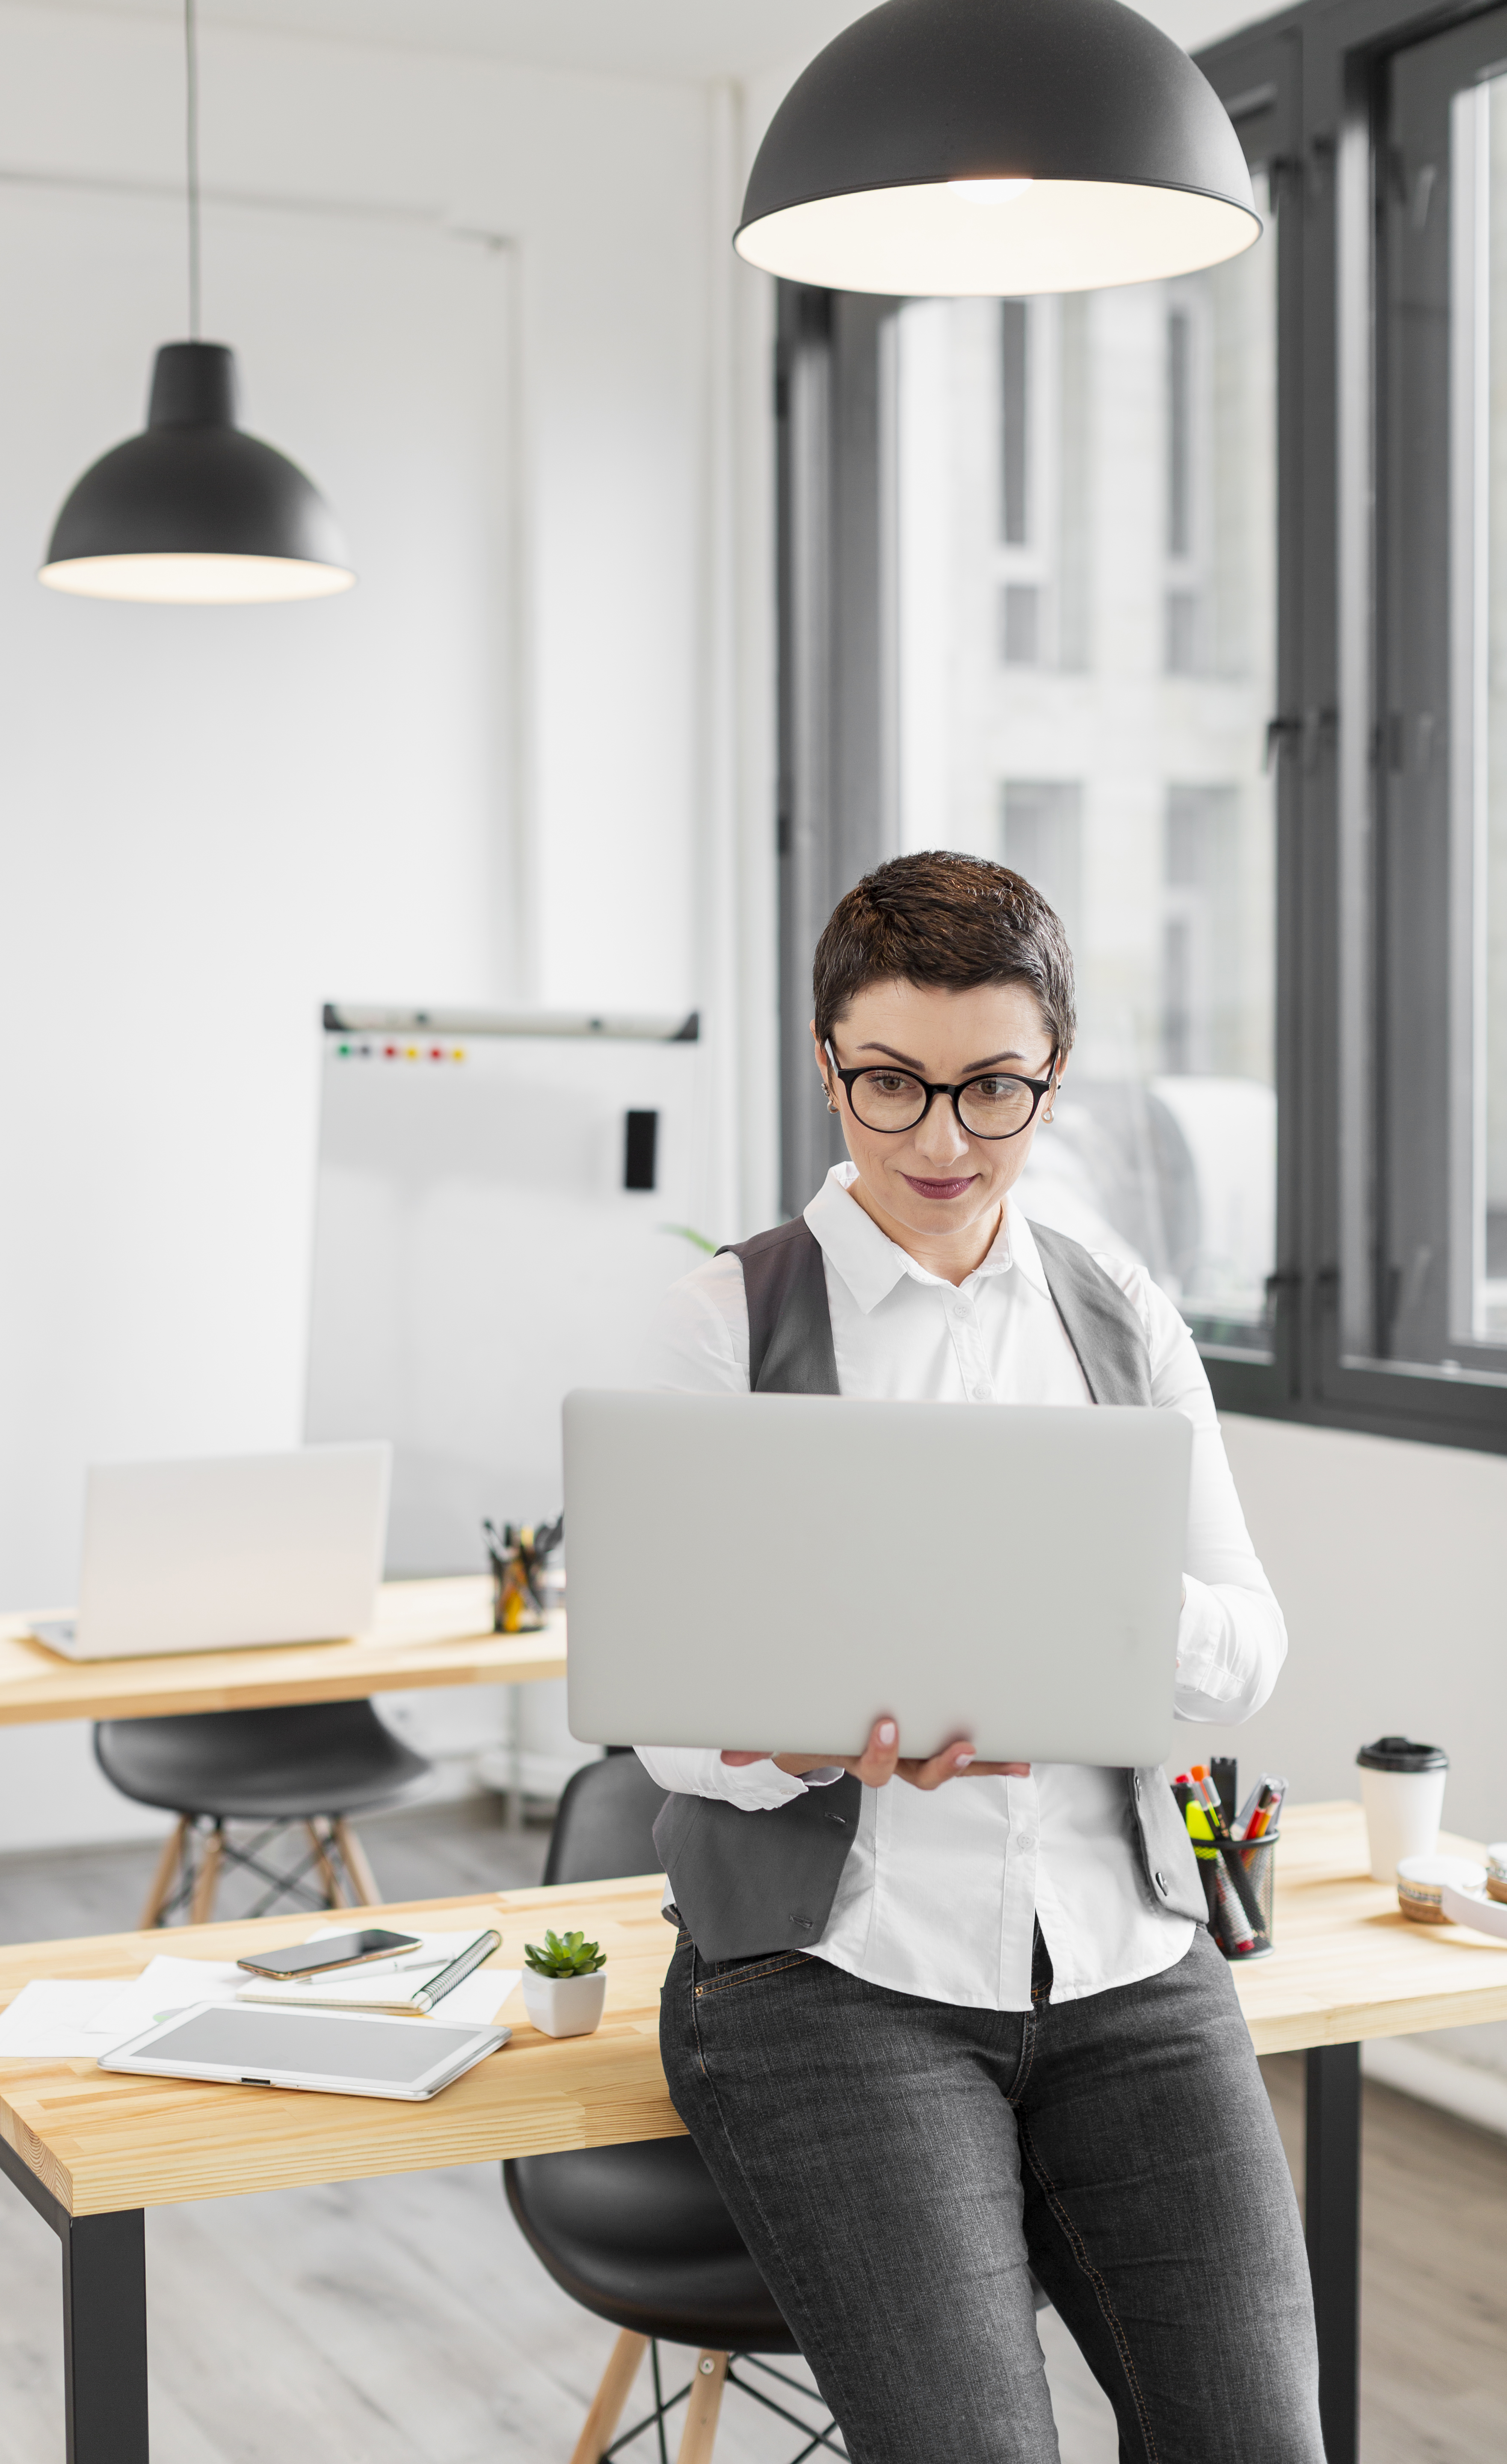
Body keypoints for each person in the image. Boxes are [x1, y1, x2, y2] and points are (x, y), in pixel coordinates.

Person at [635, 851, 1323, 2464]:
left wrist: (1064, 1596)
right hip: (836, 1977)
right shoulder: (725, 1323)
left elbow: (1246, 1651)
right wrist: (824, 1736)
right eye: (889, 1084)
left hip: (1129, 1959)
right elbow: (663, 1708)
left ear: (1052, 1080)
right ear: (828, 1065)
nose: (940, 1140)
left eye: (992, 1090)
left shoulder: (1120, 1314)